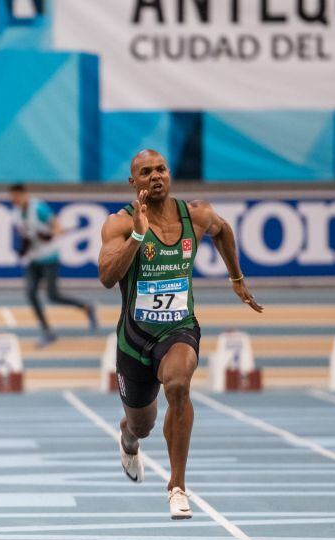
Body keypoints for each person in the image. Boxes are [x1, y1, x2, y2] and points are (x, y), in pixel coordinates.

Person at [97, 149, 262, 519]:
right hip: (135, 337)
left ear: (169, 175)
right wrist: (137, 237)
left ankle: (177, 485)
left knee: (177, 386)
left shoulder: (196, 214)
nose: (155, 176)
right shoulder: (119, 224)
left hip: (179, 327)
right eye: (145, 172)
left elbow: (224, 231)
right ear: (133, 182)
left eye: (161, 169)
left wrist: (236, 278)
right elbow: (107, 277)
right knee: (143, 424)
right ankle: (127, 435)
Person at [10, 183, 97, 345]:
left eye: (16, 196)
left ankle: (86, 306)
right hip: (34, 259)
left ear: (24, 194)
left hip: (49, 258)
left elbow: (56, 225)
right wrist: (24, 248)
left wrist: (52, 233)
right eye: (12, 197)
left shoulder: (38, 209)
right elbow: (25, 236)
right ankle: (47, 331)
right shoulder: (15, 213)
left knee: (53, 295)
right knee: (30, 292)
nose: (14, 199)